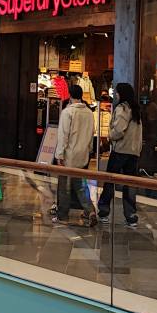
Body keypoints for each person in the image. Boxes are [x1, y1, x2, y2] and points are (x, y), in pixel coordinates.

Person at [97, 83, 143, 228]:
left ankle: (103, 212)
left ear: (121, 93)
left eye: (116, 92)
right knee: (129, 185)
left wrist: (109, 136)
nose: (115, 95)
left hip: (120, 151)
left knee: (110, 181)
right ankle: (131, 216)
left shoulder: (122, 108)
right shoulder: (136, 110)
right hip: (133, 152)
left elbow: (119, 130)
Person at [53, 83, 97, 226]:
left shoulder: (68, 112)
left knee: (64, 187)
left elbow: (63, 135)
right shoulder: (89, 113)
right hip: (83, 154)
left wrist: (59, 154)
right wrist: (89, 150)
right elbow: (92, 134)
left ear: (70, 96)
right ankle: (90, 210)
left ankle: (62, 215)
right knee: (81, 185)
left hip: (69, 155)